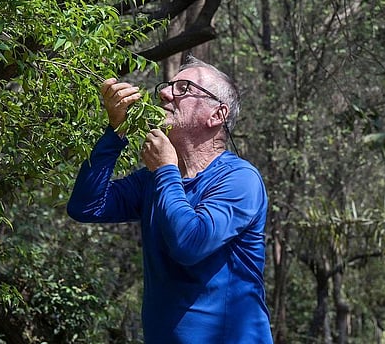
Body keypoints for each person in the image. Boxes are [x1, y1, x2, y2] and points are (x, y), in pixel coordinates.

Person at [67, 56, 273, 344]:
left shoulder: (240, 180)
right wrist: (116, 132)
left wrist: (165, 170)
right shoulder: (154, 180)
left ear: (217, 115)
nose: (164, 93)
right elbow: (85, 206)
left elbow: (190, 243)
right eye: (168, 86)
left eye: (184, 88)